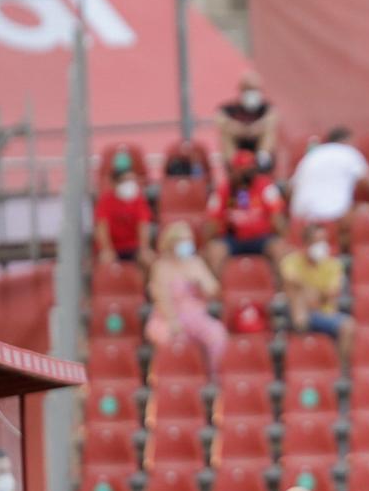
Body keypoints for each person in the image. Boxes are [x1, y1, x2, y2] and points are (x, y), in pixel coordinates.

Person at [145, 223, 227, 375]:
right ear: (172, 243)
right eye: (182, 241)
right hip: (168, 318)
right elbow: (161, 298)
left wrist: (200, 283)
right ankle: (174, 381)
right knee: (176, 341)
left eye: (188, 240)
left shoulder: (196, 263)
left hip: (196, 316)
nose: (186, 244)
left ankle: (213, 376)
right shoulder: (161, 267)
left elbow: (214, 291)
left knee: (217, 333)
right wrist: (173, 321)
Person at [290, 126, 369, 229]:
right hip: (333, 218)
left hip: (300, 219)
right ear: (347, 141)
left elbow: (291, 188)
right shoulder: (348, 152)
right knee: (367, 211)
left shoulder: (311, 156)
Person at [279, 225, 354, 357]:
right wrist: (309, 292)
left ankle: (340, 372)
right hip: (293, 312)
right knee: (299, 297)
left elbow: (331, 294)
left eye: (324, 241)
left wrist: (308, 290)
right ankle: (302, 347)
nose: (322, 245)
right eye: (318, 241)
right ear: (307, 243)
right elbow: (289, 284)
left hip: (323, 312)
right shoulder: (291, 261)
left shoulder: (333, 265)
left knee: (348, 326)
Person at [206, 151, 288, 270]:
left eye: (250, 170)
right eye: (243, 171)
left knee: (279, 249)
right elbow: (212, 222)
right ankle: (219, 288)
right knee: (215, 251)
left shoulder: (265, 187)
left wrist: (284, 239)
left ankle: (280, 289)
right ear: (234, 171)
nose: (247, 174)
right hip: (232, 239)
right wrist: (207, 245)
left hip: (261, 238)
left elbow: (277, 217)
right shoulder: (223, 190)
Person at [93, 161, 155, 267]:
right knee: (105, 260)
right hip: (113, 248)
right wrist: (106, 249)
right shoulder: (105, 201)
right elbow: (102, 227)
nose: (130, 184)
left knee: (149, 259)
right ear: (114, 183)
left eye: (132, 180)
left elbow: (143, 226)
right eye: (125, 180)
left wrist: (144, 249)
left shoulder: (139, 200)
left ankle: (145, 283)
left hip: (133, 247)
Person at [216, 72, 278, 169]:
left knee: (269, 130)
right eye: (248, 89)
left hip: (257, 143)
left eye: (255, 89)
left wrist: (256, 128)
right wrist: (238, 128)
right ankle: (233, 163)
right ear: (241, 90)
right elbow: (219, 119)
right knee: (225, 133)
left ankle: (262, 157)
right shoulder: (231, 108)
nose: (252, 93)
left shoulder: (265, 108)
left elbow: (273, 118)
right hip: (238, 144)